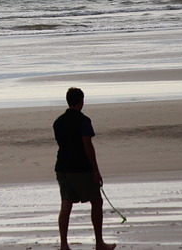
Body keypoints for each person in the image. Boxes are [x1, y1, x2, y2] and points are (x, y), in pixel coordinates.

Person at [54, 88, 116, 250]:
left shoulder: (58, 122)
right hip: (81, 168)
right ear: (81, 101)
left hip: (62, 167)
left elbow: (62, 144)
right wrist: (96, 170)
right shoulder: (84, 121)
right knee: (96, 201)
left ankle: (63, 244)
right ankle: (99, 243)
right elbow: (87, 146)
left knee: (66, 204)